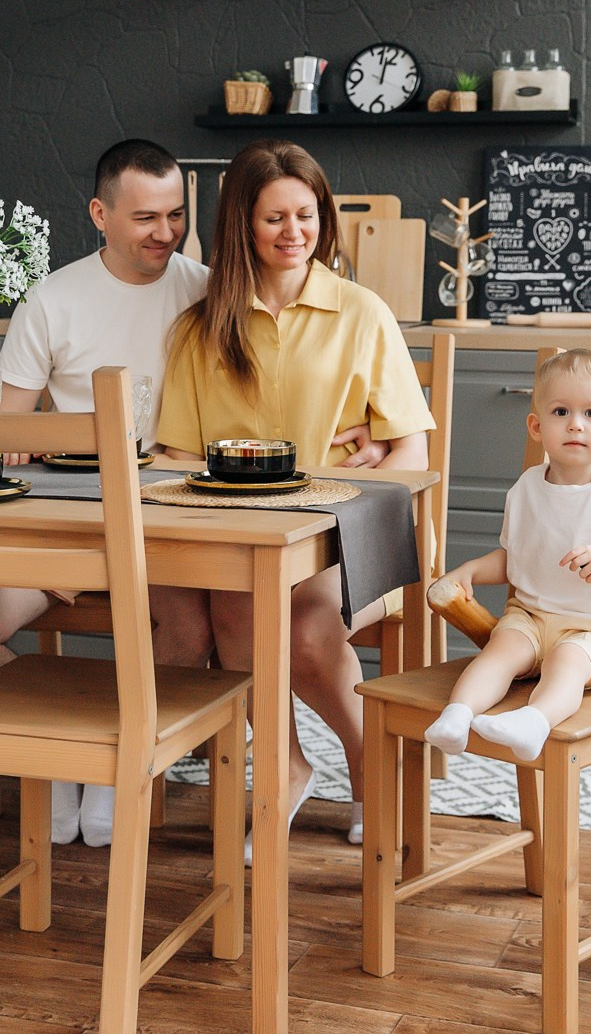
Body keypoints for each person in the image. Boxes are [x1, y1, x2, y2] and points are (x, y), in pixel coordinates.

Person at [0, 138, 213, 845]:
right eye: (145, 217)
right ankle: (55, 764)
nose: (165, 232)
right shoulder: (52, 298)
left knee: (190, 631)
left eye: (175, 215)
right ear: (99, 214)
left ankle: (121, 770)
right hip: (68, 524)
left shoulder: (208, 292)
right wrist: (19, 445)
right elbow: (2, 436)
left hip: (170, 525)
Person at [157, 138, 434, 854]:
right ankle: (284, 769)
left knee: (302, 626)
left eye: (306, 215)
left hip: (352, 538)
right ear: (241, 225)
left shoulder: (362, 313)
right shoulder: (200, 329)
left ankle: (364, 762)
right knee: (237, 599)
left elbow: (413, 451)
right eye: (274, 218)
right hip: (243, 540)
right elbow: (177, 456)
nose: (294, 232)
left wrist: (375, 464)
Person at [424, 348, 591, 762]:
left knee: (567, 661)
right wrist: (472, 570)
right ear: (536, 426)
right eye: (560, 412)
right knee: (499, 651)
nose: (575, 423)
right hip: (532, 616)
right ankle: (456, 716)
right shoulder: (526, 489)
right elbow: (516, 557)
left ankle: (534, 721)